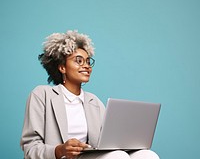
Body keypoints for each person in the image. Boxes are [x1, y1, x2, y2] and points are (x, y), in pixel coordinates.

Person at [20, 30, 160, 159]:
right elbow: (30, 148)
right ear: (62, 67)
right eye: (79, 61)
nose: (87, 66)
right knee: (117, 157)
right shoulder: (42, 95)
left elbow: (105, 144)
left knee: (147, 155)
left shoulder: (94, 101)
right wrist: (60, 150)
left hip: (87, 156)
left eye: (88, 61)